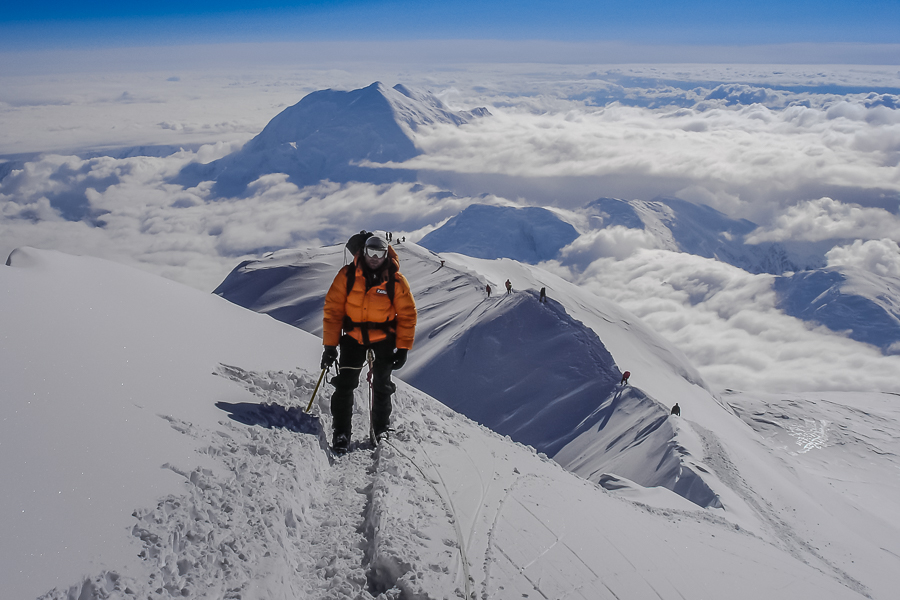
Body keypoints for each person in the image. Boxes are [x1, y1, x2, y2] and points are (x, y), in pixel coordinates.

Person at [320, 235, 417, 453]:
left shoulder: (396, 281)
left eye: (379, 254)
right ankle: (341, 432)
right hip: (353, 338)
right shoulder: (347, 275)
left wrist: (402, 348)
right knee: (344, 385)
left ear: (386, 254)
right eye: (370, 253)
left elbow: (407, 315)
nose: (374, 258)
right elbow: (333, 310)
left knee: (382, 386)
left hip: (383, 339)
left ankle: (380, 429)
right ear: (363, 252)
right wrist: (329, 346)